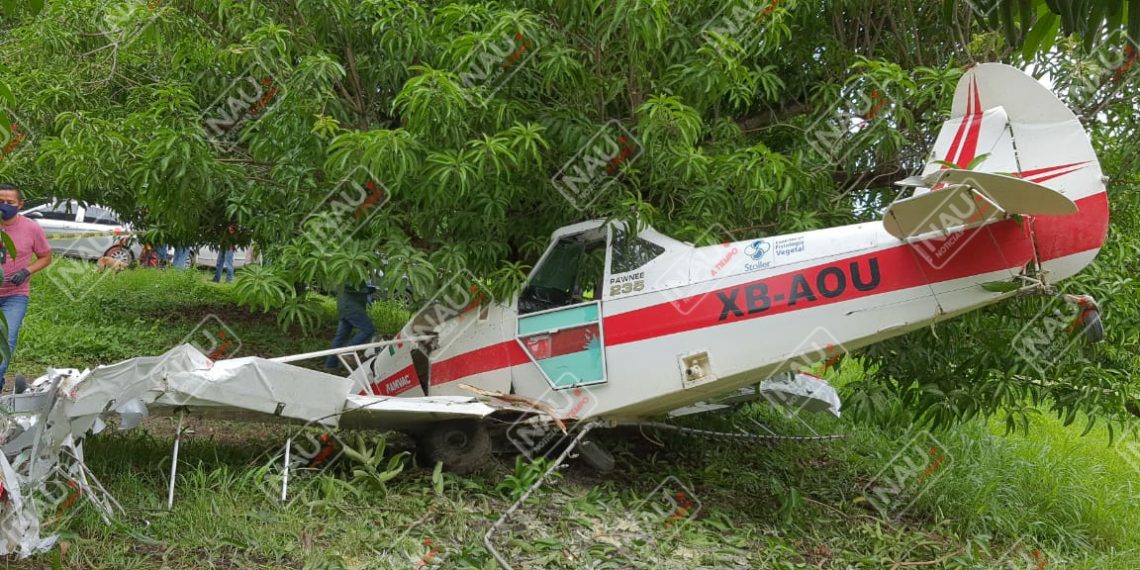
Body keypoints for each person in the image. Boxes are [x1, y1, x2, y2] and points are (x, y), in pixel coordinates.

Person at [0, 183, 52, 392]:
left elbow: (46, 257)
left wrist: (27, 271)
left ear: (20, 204)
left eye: (10, 202)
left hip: (15, 295)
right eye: (0, 202)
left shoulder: (31, 228)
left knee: (6, 338)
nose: (4, 206)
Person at [323, 282, 376, 371]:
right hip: (352, 308)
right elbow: (351, 286)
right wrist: (367, 290)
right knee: (368, 329)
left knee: (340, 338)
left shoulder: (345, 273)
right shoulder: (351, 271)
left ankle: (330, 365)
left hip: (345, 307)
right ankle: (347, 351)